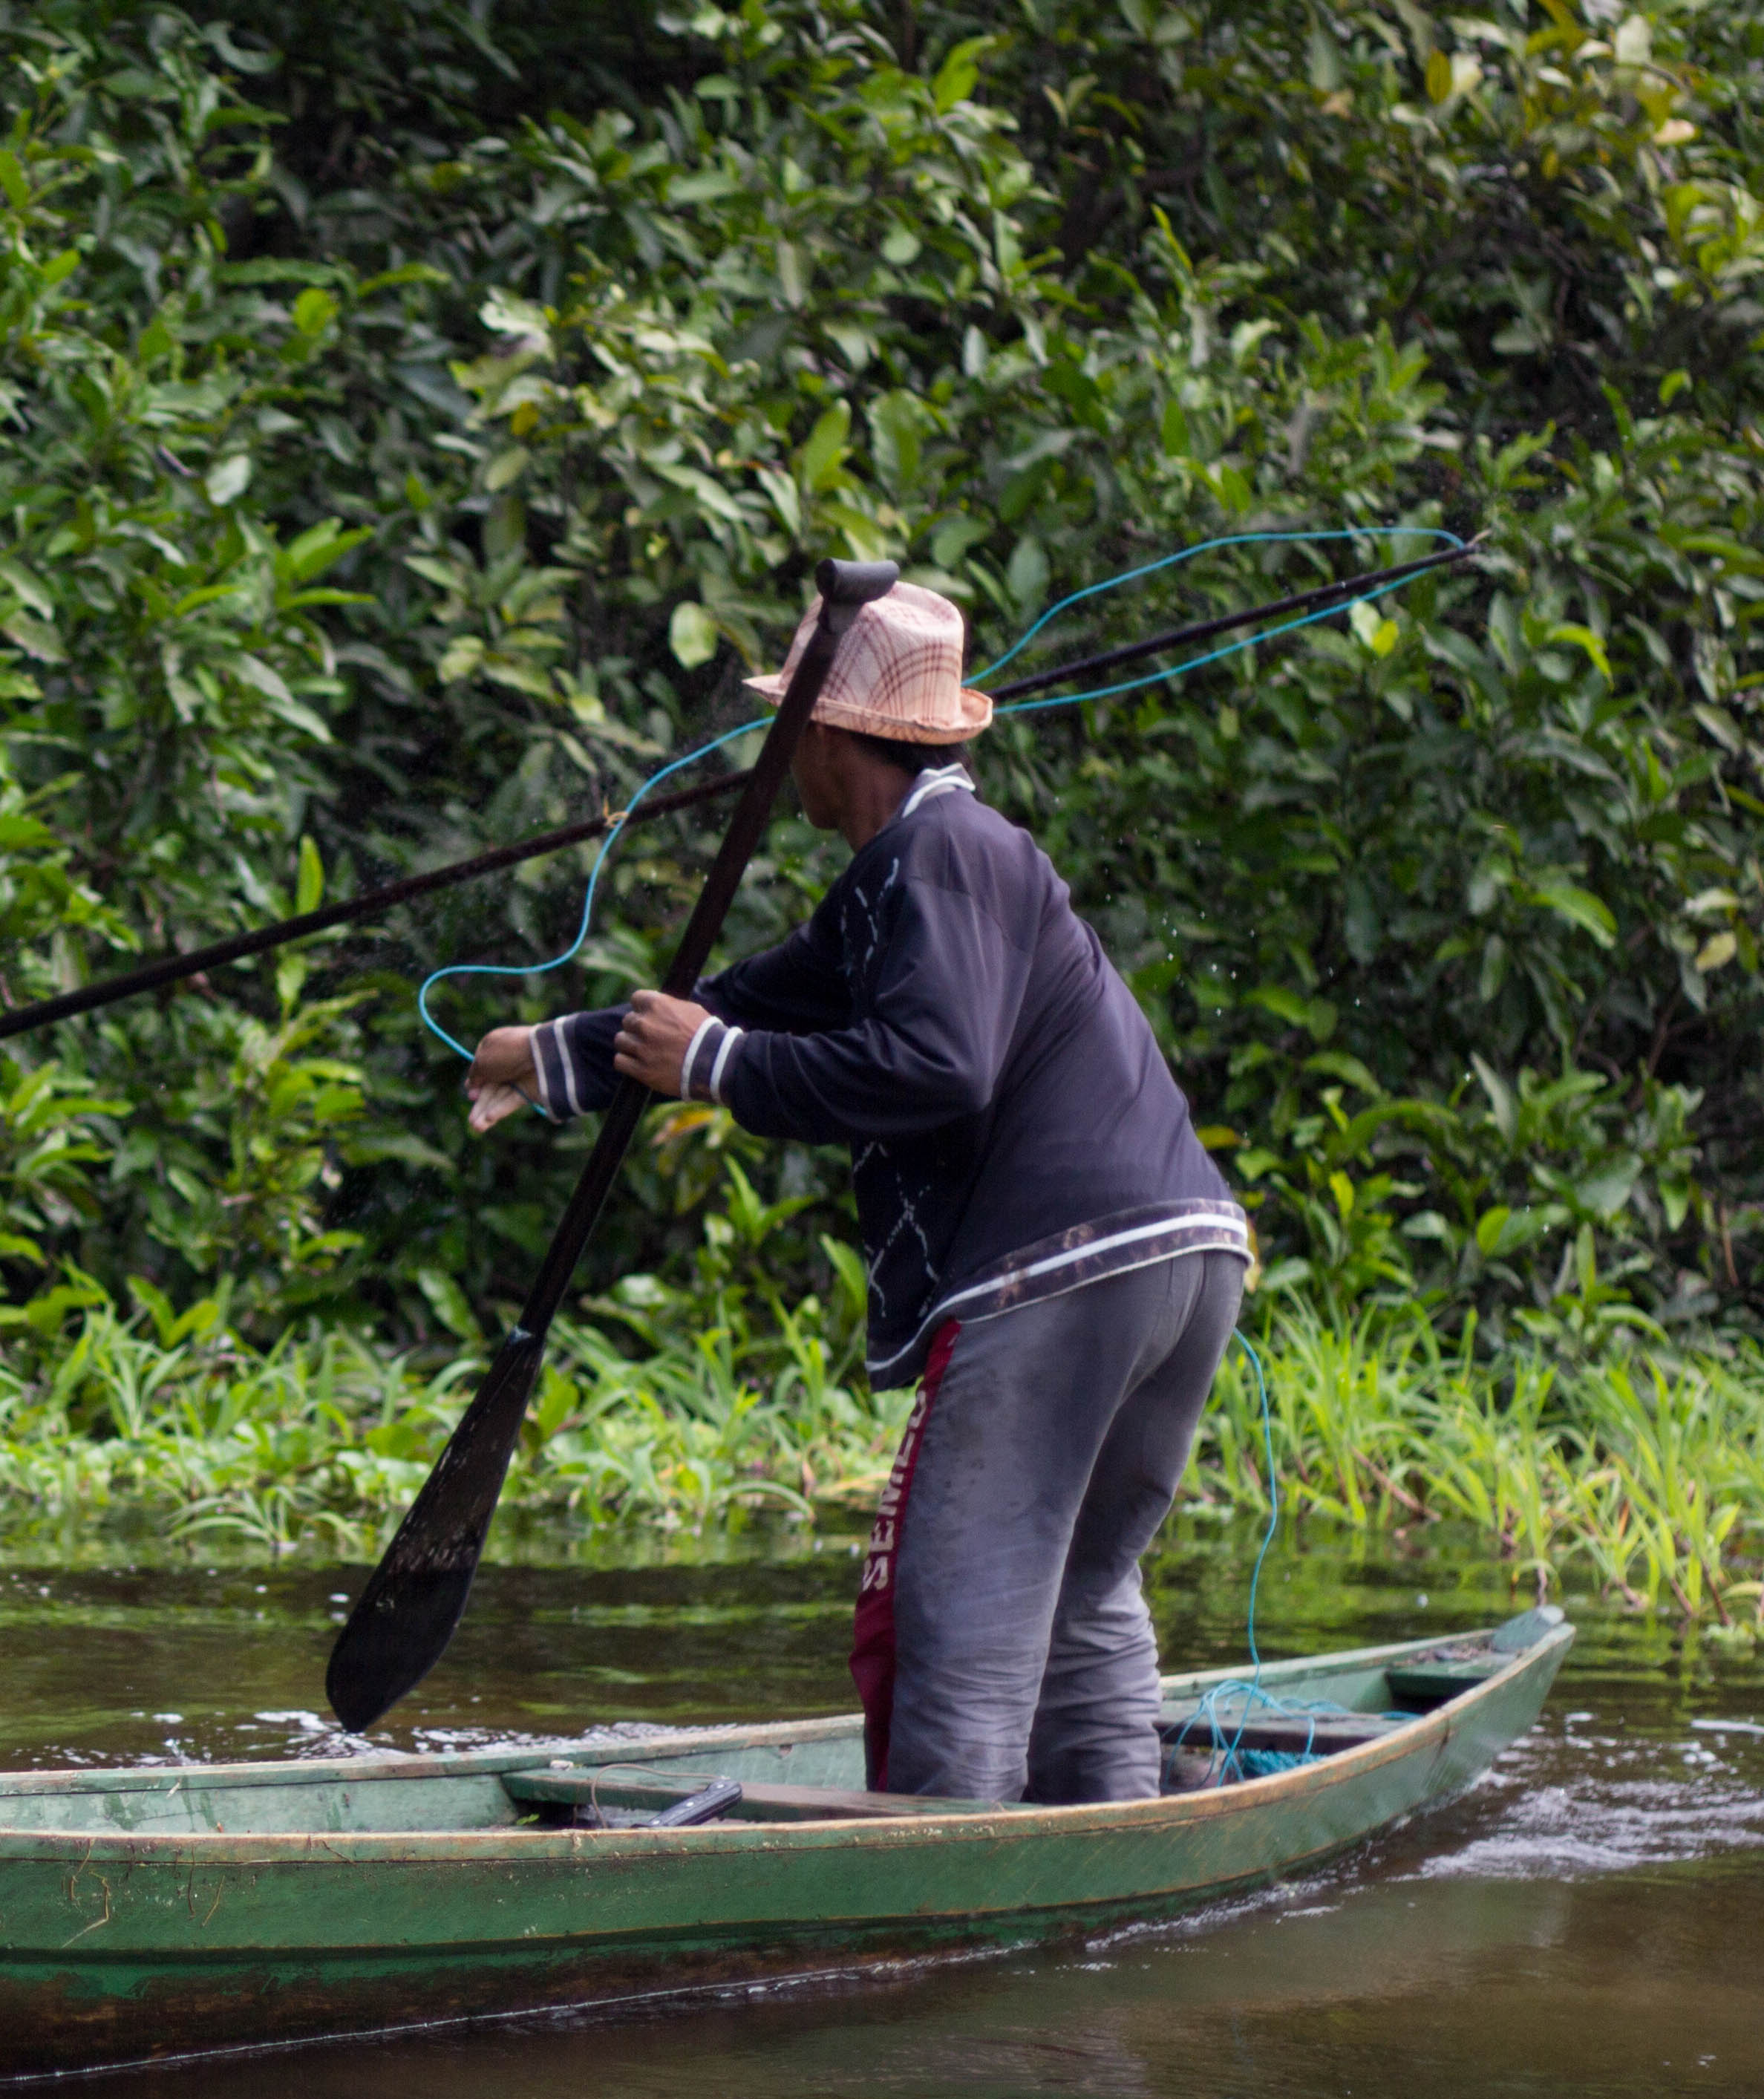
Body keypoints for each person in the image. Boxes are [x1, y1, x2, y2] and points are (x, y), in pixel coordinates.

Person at [463, 581, 1251, 1806]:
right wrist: (550, 1052)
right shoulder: (911, 874)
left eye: (791, 738)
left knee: (961, 1602)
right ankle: (1115, 1842)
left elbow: (937, 1067)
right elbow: (742, 1003)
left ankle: (948, 1908)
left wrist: (714, 1071)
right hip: (1184, 1257)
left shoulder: (942, 854)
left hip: (1069, 1264)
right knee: (1084, 1595)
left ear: (826, 739)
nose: (783, 772)